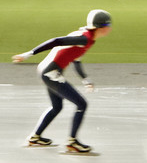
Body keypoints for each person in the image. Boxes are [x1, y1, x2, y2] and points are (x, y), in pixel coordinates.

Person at [13, 8, 111, 154]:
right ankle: (73, 141)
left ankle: (35, 137)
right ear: (97, 27)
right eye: (106, 26)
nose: (108, 29)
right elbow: (56, 41)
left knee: (57, 107)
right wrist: (28, 54)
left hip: (48, 71)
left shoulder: (88, 38)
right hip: (50, 73)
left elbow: (76, 61)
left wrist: (85, 80)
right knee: (82, 104)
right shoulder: (84, 38)